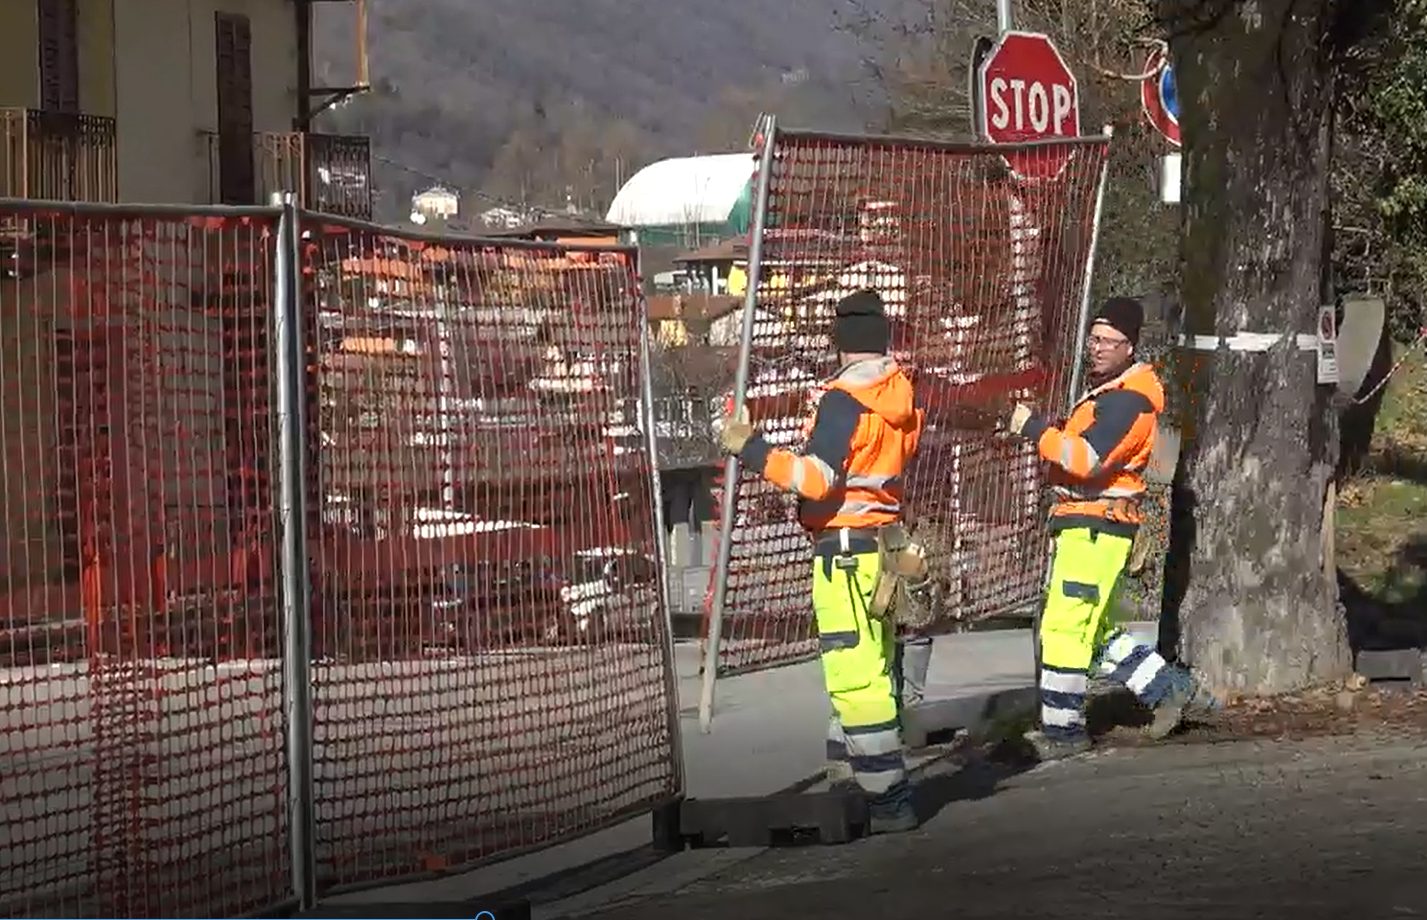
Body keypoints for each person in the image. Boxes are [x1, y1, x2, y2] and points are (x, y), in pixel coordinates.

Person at [719, 288, 924, 834]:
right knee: (875, 667)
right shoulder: (898, 393)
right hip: (883, 543)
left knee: (854, 680)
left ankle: (888, 799)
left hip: (845, 551)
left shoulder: (844, 399)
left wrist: (752, 448)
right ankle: (850, 780)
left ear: (841, 342)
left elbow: (816, 479)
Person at [1004, 296, 1219, 761]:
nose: (1097, 348)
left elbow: (1085, 460)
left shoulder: (1127, 402)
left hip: (1096, 526)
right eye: (1094, 338)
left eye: (1109, 340)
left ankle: (1062, 732)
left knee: (1064, 629)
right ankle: (1172, 691)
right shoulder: (1114, 394)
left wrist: (1034, 429)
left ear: (1130, 346)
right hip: (1089, 525)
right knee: (1094, 631)